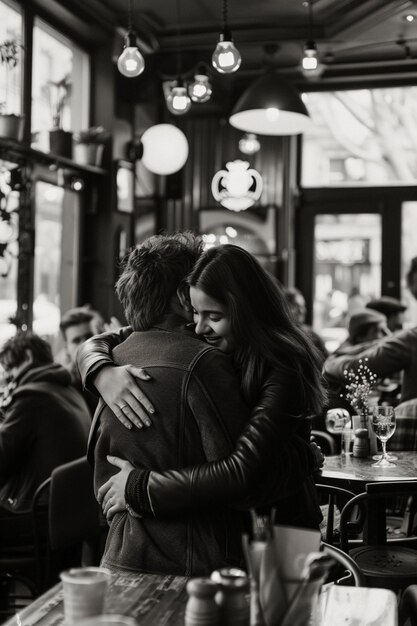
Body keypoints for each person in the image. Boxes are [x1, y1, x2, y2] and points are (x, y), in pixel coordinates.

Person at [87, 235, 321, 576]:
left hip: (284, 526)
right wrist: (96, 365)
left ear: (244, 309)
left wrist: (138, 487)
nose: (199, 326)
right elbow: (121, 334)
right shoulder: (212, 346)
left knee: (286, 618)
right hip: (241, 534)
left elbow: (242, 474)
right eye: (196, 313)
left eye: (213, 315)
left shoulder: (282, 362)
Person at [0, 332, 91, 545]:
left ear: (29, 357)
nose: (10, 377)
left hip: (36, 515)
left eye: (11, 368)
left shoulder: (32, 396)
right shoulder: (68, 390)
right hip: (70, 512)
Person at [283, 287, 328, 362]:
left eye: (303, 306)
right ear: (285, 308)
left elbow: (326, 361)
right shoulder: (282, 337)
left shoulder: (313, 336)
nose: (302, 310)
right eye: (296, 306)